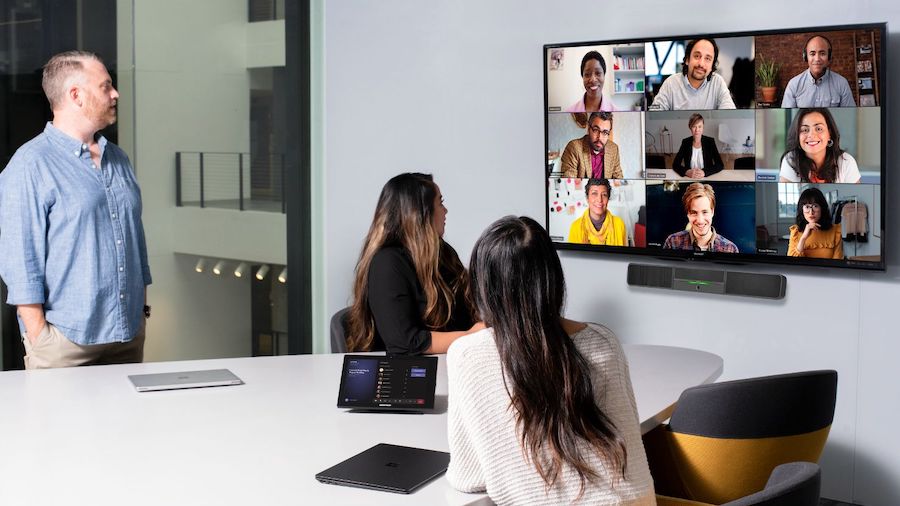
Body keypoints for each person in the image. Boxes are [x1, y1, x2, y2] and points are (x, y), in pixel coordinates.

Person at [446, 216, 655, 505]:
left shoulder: (466, 354)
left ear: (483, 285)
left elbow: (468, 478)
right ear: (553, 278)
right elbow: (630, 456)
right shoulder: (603, 342)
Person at [0, 51, 151, 369]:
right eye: (106, 86)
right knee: (59, 422)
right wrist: (41, 337)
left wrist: (139, 314)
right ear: (76, 95)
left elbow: (135, 242)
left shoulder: (119, 159)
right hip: (65, 344)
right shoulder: (30, 165)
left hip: (127, 335)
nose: (115, 94)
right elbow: (20, 261)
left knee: (129, 422)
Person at [346, 173, 478, 355]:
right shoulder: (387, 263)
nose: (445, 210)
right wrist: (470, 337)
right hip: (406, 375)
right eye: (440, 203)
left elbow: (465, 316)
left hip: (450, 364)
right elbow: (406, 342)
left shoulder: (444, 254)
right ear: (420, 213)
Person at [648, 38, 736, 111]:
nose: (701, 64)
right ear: (687, 59)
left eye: (707, 59)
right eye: (697, 56)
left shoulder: (718, 83)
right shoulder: (671, 83)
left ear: (712, 66)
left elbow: (730, 114)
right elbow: (654, 111)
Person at [779, 108, 860, 183]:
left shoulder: (846, 162)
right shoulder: (791, 160)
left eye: (818, 129)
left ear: (829, 134)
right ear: (797, 136)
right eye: (805, 130)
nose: (811, 135)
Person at [781, 35, 856, 108]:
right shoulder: (793, 85)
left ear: (829, 57)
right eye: (812, 54)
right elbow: (787, 119)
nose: (817, 59)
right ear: (805, 57)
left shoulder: (842, 84)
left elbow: (849, 117)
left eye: (822, 53)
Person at [663, 182, 739, 252]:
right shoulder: (672, 242)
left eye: (705, 212)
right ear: (688, 214)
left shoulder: (730, 249)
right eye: (694, 213)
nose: (700, 220)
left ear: (712, 212)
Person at [560, 111, 623, 179]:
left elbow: (618, 179)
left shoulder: (613, 148)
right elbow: (569, 183)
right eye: (596, 130)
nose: (600, 137)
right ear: (588, 129)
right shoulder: (574, 147)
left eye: (605, 132)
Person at [567, 178, 627, 246]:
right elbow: (573, 256)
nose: (599, 200)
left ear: (608, 199)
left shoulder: (619, 224)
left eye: (604, 195)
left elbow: (623, 255)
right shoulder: (575, 227)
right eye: (594, 193)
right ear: (587, 198)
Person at [788, 187, 843, 259]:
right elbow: (792, 264)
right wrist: (803, 237)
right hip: (803, 270)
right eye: (807, 207)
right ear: (802, 209)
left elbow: (837, 262)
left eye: (815, 206)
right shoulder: (795, 231)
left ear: (822, 208)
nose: (811, 212)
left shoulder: (835, 231)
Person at [672, 113, 724, 178]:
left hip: (706, 178)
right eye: (694, 126)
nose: (697, 130)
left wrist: (705, 172)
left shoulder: (710, 142)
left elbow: (720, 164)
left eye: (699, 126)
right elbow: (675, 164)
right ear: (690, 127)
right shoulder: (685, 142)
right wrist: (687, 172)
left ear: (703, 128)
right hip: (690, 178)